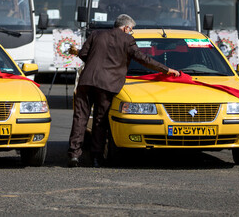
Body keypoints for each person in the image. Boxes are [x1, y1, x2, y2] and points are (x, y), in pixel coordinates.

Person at [67, 14, 179, 167]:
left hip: (87, 81)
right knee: (100, 120)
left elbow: (84, 54)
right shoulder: (127, 40)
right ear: (126, 27)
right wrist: (166, 69)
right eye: (131, 29)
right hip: (108, 85)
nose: (131, 32)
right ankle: (96, 157)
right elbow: (143, 59)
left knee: (80, 118)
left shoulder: (96, 34)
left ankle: (74, 155)